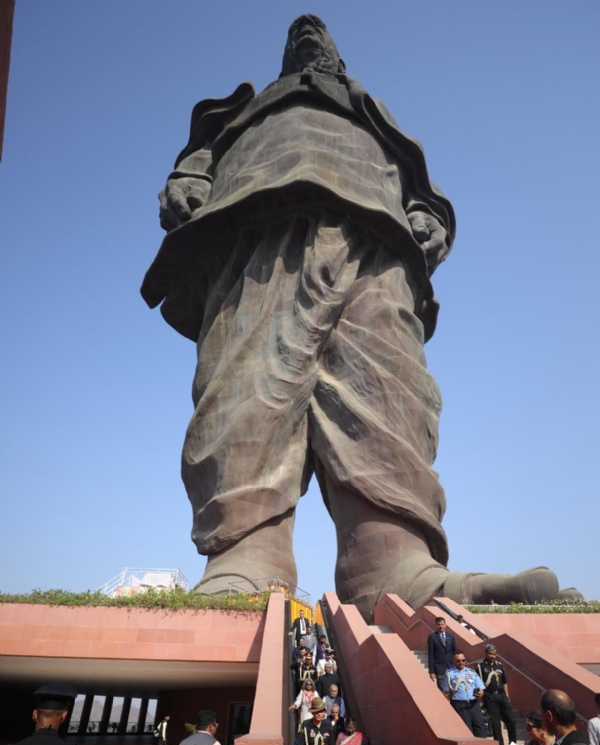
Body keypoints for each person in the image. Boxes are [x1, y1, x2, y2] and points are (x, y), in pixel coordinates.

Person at [143, 14, 566, 620]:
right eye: (296, 37)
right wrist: (189, 176)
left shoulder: (373, 117)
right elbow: (193, 165)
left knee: (387, 388)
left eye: (317, 37)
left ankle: (393, 562)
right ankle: (245, 554)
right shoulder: (244, 114)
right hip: (258, 218)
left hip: (377, 233)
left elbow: (424, 193)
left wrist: (427, 217)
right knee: (249, 378)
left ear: (337, 61)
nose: (306, 36)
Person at [477, 644, 517, 745]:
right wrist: (481, 700)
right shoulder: (480, 666)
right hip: (490, 697)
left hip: (502, 696)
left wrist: (507, 697)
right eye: (490, 654)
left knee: (512, 723)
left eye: (494, 654)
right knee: (496, 728)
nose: (492, 656)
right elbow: (478, 683)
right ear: (486, 653)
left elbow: (505, 682)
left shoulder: (499, 665)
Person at [443, 652, 486, 737]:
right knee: (466, 730)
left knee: (480, 728)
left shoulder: (472, 672)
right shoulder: (449, 674)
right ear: (453, 661)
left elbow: (481, 688)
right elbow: (447, 693)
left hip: (473, 704)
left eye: (463, 660)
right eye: (458, 661)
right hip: (459, 705)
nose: (461, 662)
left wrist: (481, 693)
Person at [428, 617, 459, 691]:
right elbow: (431, 655)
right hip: (439, 668)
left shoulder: (450, 636)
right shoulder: (432, 637)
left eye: (442, 624)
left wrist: (458, 665)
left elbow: (456, 652)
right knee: (442, 690)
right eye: (439, 624)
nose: (441, 626)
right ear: (436, 625)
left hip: (451, 667)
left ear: (445, 624)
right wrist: (432, 672)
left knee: (454, 688)